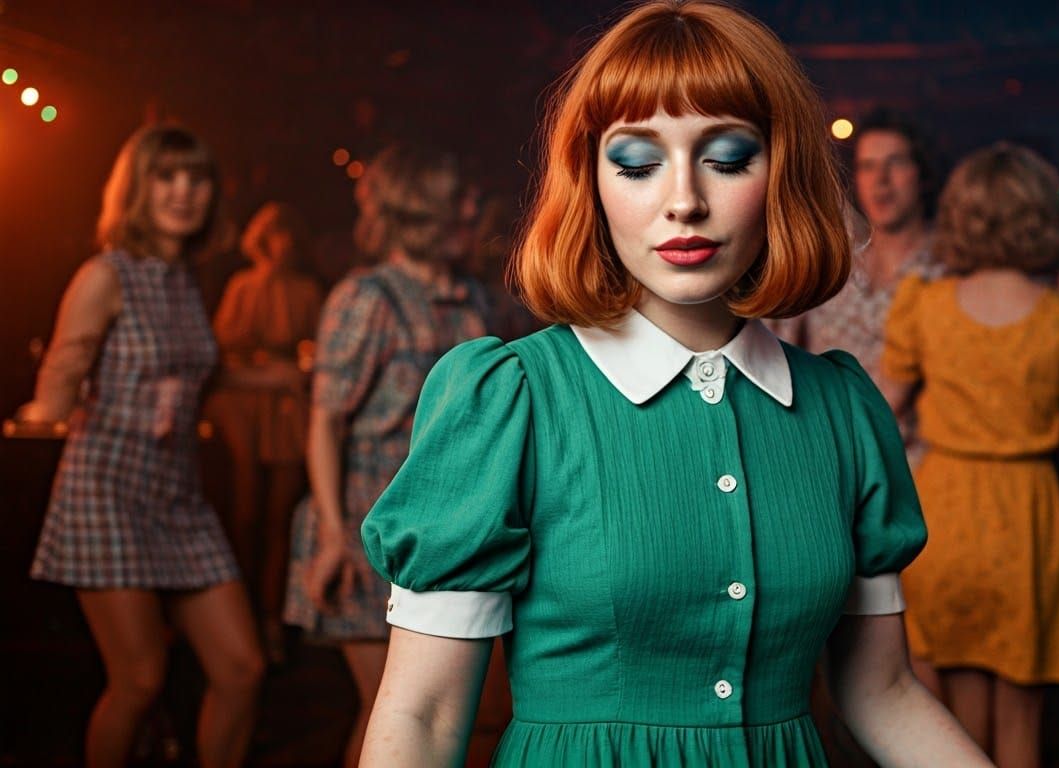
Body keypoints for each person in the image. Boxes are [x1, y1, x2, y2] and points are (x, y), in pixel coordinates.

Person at [356, 2, 989, 766]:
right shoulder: (512, 401)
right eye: (636, 162)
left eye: (726, 158)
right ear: (591, 182)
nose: (683, 199)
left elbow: (882, 690)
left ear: (780, 174)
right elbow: (421, 718)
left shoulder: (842, 410)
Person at [20, 124, 264, 767]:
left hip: (178, 495)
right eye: (166, 176)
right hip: (108, 488)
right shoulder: (106, 274)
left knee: (241, 668)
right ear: (136, 188)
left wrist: (281, 376)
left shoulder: (185, 279)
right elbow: (61, 373)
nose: (184, 192)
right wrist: (46, 408)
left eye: (197, 177)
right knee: (139, 680)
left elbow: (191, 372)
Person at [879, 143, 1059, 768]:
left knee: (956, 720)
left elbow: (882, 415)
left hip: (945, 516)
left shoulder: (923, 305)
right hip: (1028, 521)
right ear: (1041, 217)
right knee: (1021, 722)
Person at [282, 145, 492, 768]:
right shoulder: (367, 296)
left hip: (450, 534)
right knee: (390, 716)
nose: (475, 209)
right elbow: (325, 421)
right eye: (462, 198)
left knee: (450, 717)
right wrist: (331, 536)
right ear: (425, 208)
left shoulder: (473, 298)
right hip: (370, 529)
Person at [771, 108, 944, 463]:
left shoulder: (948, 270)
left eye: (894, 163)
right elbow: (778, 353)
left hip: (920, 471)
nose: (881, 180)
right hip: (833, 462)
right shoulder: (834, 266)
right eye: (867, 166)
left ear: (921, 174)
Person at [206, 201, 324, 663]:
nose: (285, 242)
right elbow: (221, 351)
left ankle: (272, 620)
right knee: (244, 515)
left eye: (290, 233)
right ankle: (236, 621)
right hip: (246, 406)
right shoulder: (242, 286)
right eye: (277, 234)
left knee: (280, 518)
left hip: (288, 407)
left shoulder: (307, 290)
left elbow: (314, 349)